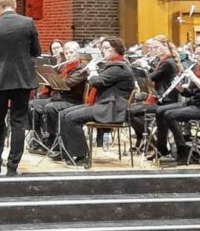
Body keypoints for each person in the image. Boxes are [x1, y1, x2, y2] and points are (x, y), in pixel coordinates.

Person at [0, 0, 41, 176]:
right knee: (18, 122)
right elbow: (36, 51)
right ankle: (13, 166)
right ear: (15, 5)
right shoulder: (28, 22)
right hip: (22, 80)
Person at [52, 36, 133, 167]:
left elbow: (96, 81)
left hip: (111, 108)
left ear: (117, 49)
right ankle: (67, 152)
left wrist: (92, 69)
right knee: (63, 114)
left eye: (107, 48)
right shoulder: (112, 65)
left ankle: (82, 155)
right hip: (103, 104)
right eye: (102, 48)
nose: (103, 51)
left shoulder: (120, 68)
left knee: (71, 118)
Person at [153, 41, 200, 164]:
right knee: (160, 110)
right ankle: (162, 150)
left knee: (170, 115)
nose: (196, 57)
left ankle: (183, 150)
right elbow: (191, 93)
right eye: (195, 54)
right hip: (196, 104)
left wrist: (195, 80)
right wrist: (182, 89)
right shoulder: (199, 69)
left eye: (199, 54)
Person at [29, 41, 87, 154]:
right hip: (59, 98)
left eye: (71, 52)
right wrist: (47, 77)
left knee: (50, 108)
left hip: (72, 100)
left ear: (77, 54)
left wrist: (54, 79)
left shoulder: (81, 69)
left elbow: (68, 84)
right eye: (66, 53)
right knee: (32, 105)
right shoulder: (63, 67)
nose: (69, 55)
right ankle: (39, 137)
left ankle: (53, 140)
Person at [129, 35, 179, 150]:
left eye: (156, 48)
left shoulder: (168, 63)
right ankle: (144, 140)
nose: (153, 51)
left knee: (130, 112)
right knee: (130, 110)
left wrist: (144, 67)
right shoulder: (162, 61)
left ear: (165, 46)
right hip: (159, 98)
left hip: (166, 101)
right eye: (152, 48)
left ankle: (150, 141)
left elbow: (151, 78)